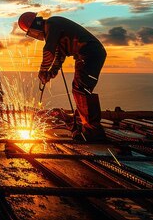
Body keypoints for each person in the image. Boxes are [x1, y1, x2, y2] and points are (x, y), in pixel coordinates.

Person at [17, 12, 107, 142]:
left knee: (81, 89)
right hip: (87, 55)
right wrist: (52, 72)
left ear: (33, 29)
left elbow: (49, 51)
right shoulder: (53, 28)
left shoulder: (51, 24)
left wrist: (43, 70)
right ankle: (84, 126)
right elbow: (59, 55)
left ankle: (93, 131)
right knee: (79, 88)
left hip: (90, 54)